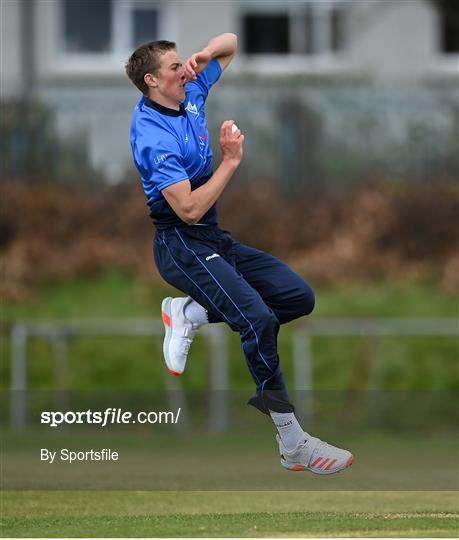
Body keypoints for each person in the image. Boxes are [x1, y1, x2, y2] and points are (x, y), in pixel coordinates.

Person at [125, 33, 354, 474]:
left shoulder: (189, 90)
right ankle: (293, 442)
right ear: (152, 80)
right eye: (174, 67)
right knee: (258, 319)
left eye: (183, 63)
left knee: (296, 298)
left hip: (213, 239)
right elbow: (189, 210)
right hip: (180, 244)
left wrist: (207, 54)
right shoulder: (152, 135)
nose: (184, 70)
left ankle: (188, 314)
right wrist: (230, 162)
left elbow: (231, 44)